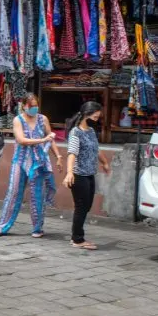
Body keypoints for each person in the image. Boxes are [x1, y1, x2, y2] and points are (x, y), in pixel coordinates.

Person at [0, 93, 61, 237]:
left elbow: (52, 139)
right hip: (21, 160)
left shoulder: (43, 119)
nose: (34, 108)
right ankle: (3, 226)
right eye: (31, 106)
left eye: (36, 105)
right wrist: (43, 139)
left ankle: (37, 228)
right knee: (13, 192)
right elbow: (21, 140)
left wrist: (59, 156)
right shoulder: (18, 120)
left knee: (37, 195)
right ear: (24, 106)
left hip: (38, 162)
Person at [64, 102, 110, 251]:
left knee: (86, 206)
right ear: (86, 115)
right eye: (95, 116)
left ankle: (78, 237)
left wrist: (104, 163)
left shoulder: (90, 131)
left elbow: (96, 150)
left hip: (90, 174)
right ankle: (77, 239)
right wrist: (69, 172)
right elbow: (72, 153)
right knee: (81, 206)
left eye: (98, 117)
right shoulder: (75, 132)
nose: (96, 120)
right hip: (78, 175)